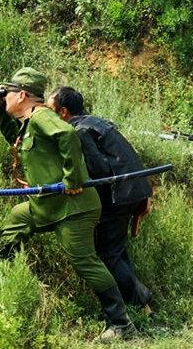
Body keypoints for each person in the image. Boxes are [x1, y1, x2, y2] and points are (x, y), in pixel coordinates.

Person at [0, 68, 135, 342]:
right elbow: (15, 140)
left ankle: (121, 323)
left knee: (85, 262)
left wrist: (72, 178)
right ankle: (2, 282)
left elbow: (67, 135)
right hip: (45, 206)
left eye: (6, 93)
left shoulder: (42, 116)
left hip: (73, 207)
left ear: (21, 95)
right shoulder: (29, 123)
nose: (3, 97)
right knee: (14, 224)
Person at [47, 86, 154, 312]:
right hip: (133, 190)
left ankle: (141, 303)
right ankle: (142, 305)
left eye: (50, 110)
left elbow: (99, 171)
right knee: (115, 250)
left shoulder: (78, 131)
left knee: (108, 253)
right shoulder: (96, 122)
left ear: (63, 112)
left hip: (119, 194)